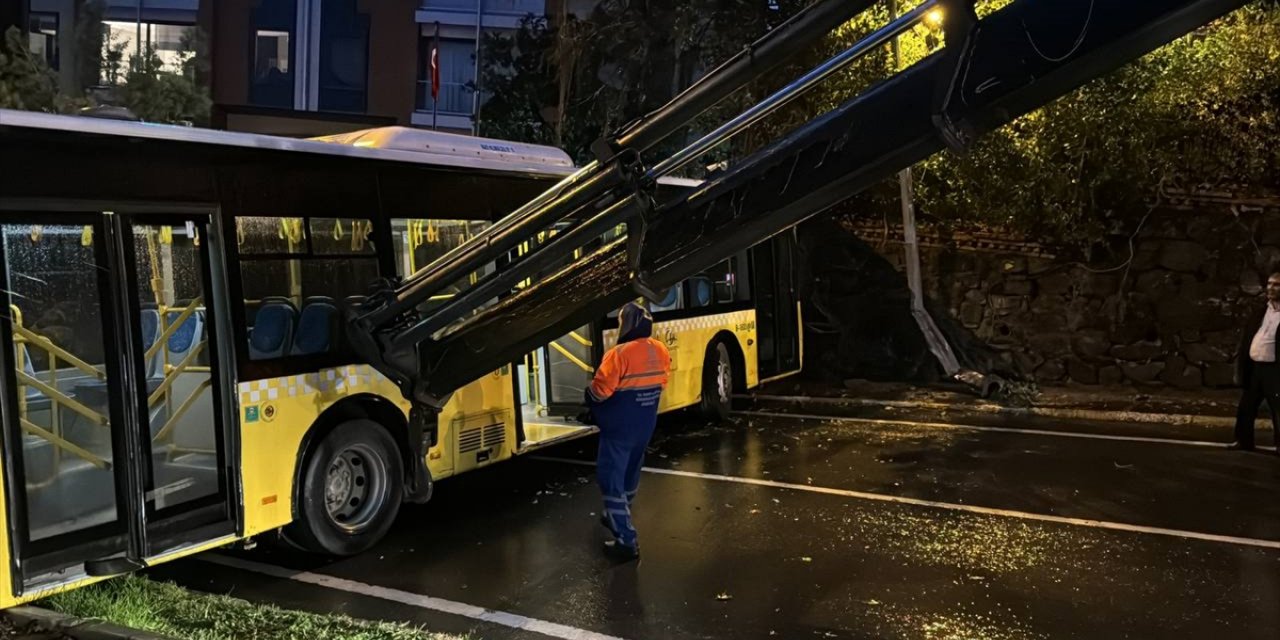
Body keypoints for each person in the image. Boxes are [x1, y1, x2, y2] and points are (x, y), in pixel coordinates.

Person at [583, 301, 671, 561]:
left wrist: (587, 399)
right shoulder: (660, 350)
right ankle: (616, 515)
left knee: (611, 480)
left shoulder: (619, 354)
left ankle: (626, 540)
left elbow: (600, 392)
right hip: (644, 426)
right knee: (630, 476)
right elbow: (660, 384)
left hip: (619, 427)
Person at [1230, 268, 1280, 453]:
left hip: (1275, 369)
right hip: (1255, 367)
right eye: (1269, 284)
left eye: (1276, 285)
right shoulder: (1261, 311)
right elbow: (1248, 337)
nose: (1271, 288)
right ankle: (1243, 441)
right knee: (1246, 406)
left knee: (1278, 409)